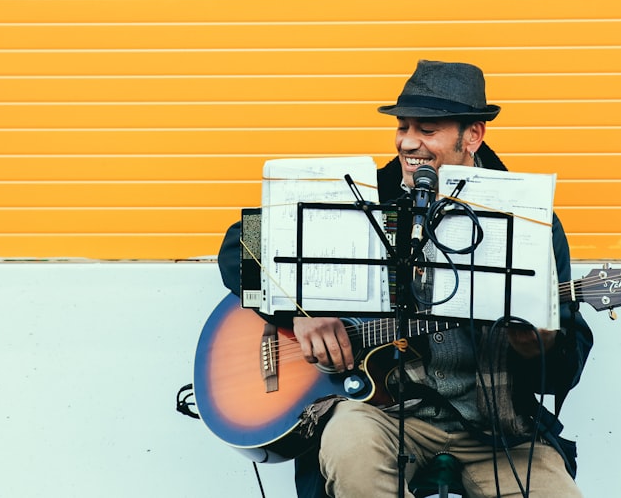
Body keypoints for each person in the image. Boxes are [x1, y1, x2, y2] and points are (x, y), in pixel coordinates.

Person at [218, 60, 593, 498]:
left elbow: (565, 362)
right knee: (348, 448)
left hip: (494, 428)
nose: (408, 142)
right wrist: (299, 312)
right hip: (379, 410)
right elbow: (239, 244)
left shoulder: (530, 222)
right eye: (403, 126)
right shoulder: (364, 195)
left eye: (428, 129)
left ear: (472, 135)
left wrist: (538, 347)